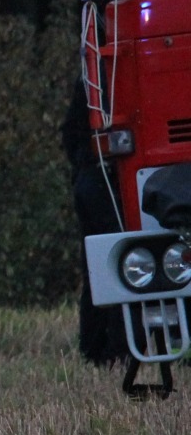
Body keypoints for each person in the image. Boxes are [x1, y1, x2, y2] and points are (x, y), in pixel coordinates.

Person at [61, 76, 125, 364]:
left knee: (98, 266)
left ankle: (95, 349)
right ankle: (116, 349)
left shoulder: (92, 77)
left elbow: (70, 133)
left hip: (91, 175)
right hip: (103, 178)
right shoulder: (107, 76)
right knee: (118, 259)